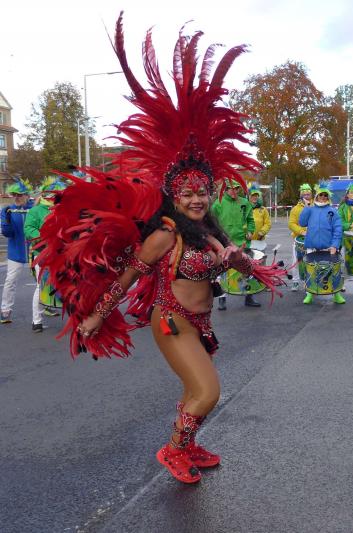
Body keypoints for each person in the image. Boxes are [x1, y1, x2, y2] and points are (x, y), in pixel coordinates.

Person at [33, 16, 286, 483]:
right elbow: (127, 278)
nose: (196, 199)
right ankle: (172, 451)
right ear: (173, 195)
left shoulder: (211, 230)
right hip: (171, 321)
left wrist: (242, 263)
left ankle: (188, 445)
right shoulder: (166, 234)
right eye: (187, 193)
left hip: (200, 321)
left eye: (202, 191)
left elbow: (240, 268)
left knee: (195, 390)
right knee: (207, 392)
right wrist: (96, 317)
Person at [24, 176, 68, 331]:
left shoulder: (63, 210)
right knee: (41, 286)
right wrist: (45, 237)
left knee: (67, 285)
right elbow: (28, 229)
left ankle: (76, 319)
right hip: (42, 254)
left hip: (61, 254)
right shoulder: (36, 210)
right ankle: (36, 320)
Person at [212, 180, 259, 309]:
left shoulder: (244, 202)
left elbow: (250, 220)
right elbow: (211, 222)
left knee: (247, 270)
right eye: (231, 189)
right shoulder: (218, 203)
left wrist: (250, 231)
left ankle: (249, 296)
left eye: (237, 188)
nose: (234, 191)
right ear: (226, 189)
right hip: (224, 244)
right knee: (222, 272)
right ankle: (222, 298)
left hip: (242, 243)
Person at [299, 182, 345, 305]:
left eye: (325, 195)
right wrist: (306, 207)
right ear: (317, 196)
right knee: (311, 271)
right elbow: (302, 222)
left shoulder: (333, 211)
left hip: (328, 248)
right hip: (312, 247)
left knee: (333, 271)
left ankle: (336, 294)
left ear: (328, 197)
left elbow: (338, 229)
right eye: (321, 195)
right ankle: (309, 293)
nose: (323, 197)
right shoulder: (310, 209)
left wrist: (335, 245)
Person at [0, 178, 34, 325]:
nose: (16, 197)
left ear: (27, 195)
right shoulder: (7, 210)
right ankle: (5, 310)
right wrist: (7, 222)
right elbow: (8, 233)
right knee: (10, 281)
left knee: (43, 280)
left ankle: (46, 304)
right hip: (16, 252)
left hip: (34, 251)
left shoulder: (34, 208)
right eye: (14, 195)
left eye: (19, 195)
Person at [288, 183, 313, 291]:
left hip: (312, 240)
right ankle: (295, 281)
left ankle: (310, 282)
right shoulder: (295, 209)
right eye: (304, 194)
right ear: (301, 196)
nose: (307, 196)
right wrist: (301, 231)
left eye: (308, 194)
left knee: (311, 261)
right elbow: (291, 224)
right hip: (299, 239)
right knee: (296, 261)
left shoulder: (315, 206)